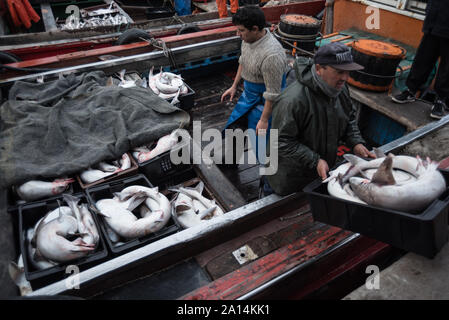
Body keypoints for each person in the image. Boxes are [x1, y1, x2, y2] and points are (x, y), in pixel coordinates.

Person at [265, 42, 375, 196]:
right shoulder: (292, 100)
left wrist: (355, 141)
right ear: (318, 69)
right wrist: (315, 160)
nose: (345, 78)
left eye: (348, 72)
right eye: (339, 71)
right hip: (289, 176)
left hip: (320, 171)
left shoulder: (341, 89)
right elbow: (281, 141)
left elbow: (348, 117)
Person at [221, 5, 287, 165]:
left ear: (256, 29)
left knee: (262, 146)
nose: (238, 34)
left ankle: (268, 183)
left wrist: (264, 120)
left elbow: (273, 94)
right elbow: (243, 61)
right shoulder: (248, 39)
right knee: (234, 128)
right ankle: (231, 161)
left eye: (241, 31)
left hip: (266, 102)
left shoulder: (272, 55)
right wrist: (234, 86)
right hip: (249, 94)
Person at [391, 0, 449, 120]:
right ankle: (410, 91)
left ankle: (440, 101)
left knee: (447, 68)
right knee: (422, 59)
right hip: (432, 23)